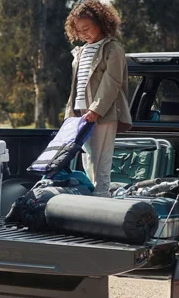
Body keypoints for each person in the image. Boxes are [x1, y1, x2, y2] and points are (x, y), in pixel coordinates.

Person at [64, 0, 132, 197]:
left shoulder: (112, 48)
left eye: (87, 28)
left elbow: (112, 82)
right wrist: (71, 113)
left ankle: (101, 196)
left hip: (102, 113)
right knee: (88, 157)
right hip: (80, 113)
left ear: (101, 22)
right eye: (79, 30)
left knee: (101, 159)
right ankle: (94, 195)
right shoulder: (81, 51)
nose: (83, 33)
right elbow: (76, 85)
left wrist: (96, 109)